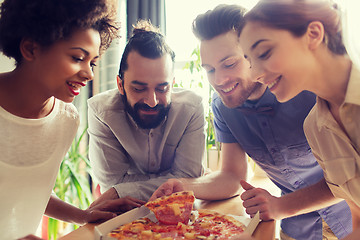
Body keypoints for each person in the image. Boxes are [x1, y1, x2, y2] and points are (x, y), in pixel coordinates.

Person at [150, 4, 352, 240]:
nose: (219, 79)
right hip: (297, 231)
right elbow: (232, 176)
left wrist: (281, 206)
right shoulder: (222, 107)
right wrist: (185, 186)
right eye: (210, 69)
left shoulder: (310, 89)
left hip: (351, 219)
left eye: (229, 64)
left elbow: (350, 177)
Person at [0, 0, 145, 239]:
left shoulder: (66, 120)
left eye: (93, 62)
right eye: (78, 57)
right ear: (31, 49)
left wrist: (82, 216)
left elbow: (28, 190)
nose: (89, 73)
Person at [239, 0, 360, 239]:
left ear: (313, 34)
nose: (254, 74)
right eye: (250, 61)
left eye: (264, 53)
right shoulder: (315, 128)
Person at [87, 20, 205, 206]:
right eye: (139, 89)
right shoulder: (101, 112)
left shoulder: (192, 107)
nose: (152, 101)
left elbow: (188, 176)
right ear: (120, 85)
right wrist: (174, 180)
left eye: (162, 88)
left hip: (179, 209)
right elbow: (113, 183)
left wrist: (120, 191)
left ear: (172, 84)